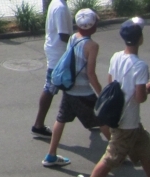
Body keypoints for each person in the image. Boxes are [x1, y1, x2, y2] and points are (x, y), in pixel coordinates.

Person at [78, 19, 150, 177]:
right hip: (127, 121)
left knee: (144, 149)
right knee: (111, 157)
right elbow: (140, 98)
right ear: (141, 38)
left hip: (121, 117)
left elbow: (111, 82)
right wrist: (146, 89)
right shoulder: (140, 66)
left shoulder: (116, 57)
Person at [42, 9, 108, 167]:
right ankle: (118, 151)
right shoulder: (92, 45)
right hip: (83, 91)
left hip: (69, 88)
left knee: (61, 118)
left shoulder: (73, 38)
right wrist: (101, 94)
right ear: (93, 27)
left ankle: (51, 155)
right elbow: (91, 74)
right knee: (103, 119)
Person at [32, 0, 77, 137]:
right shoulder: (60, 8)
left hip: (56, 52)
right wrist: (79, 39)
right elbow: (64, 35)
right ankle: (38, 124)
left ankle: (90, 118)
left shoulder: (58, 3)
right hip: (59, 54)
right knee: (51, 87)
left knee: (72, 85)